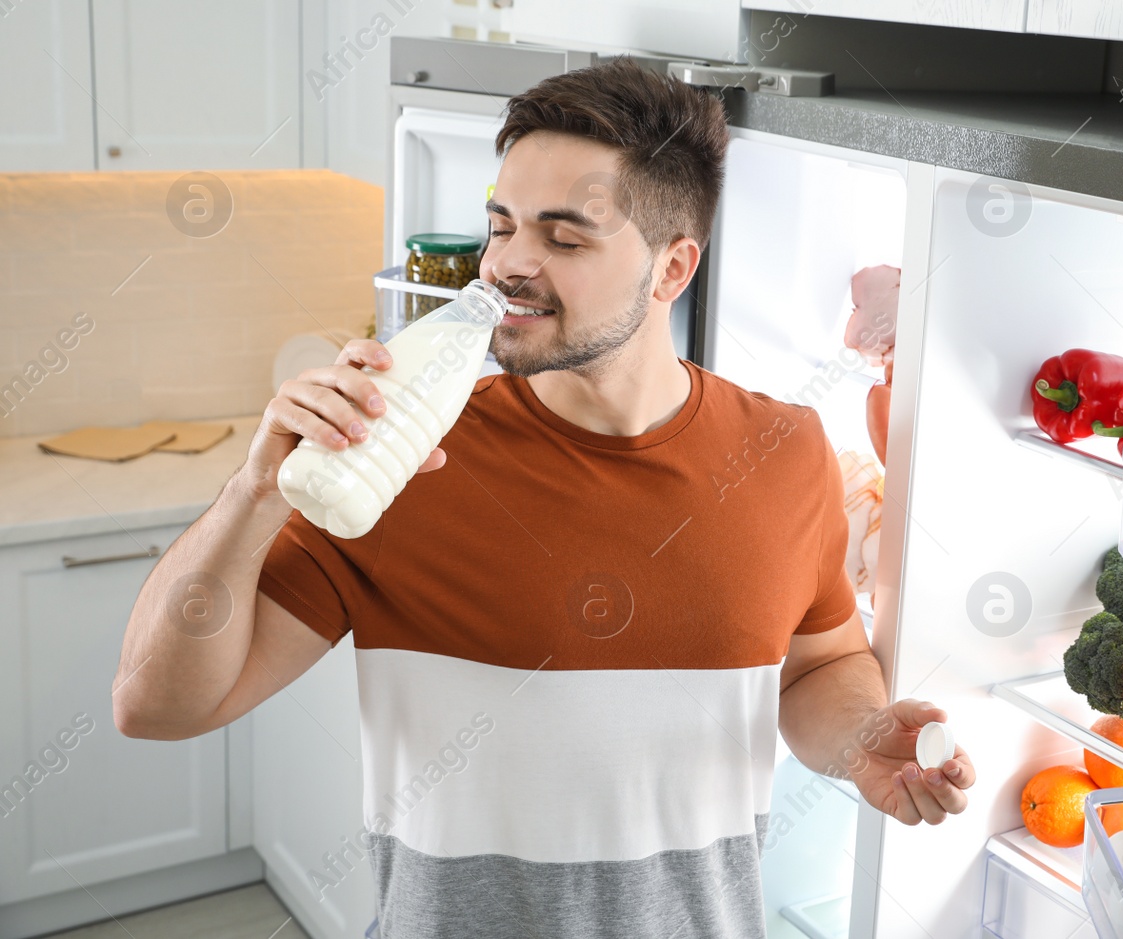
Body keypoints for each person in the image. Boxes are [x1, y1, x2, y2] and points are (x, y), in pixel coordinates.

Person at [112, 58, 975, 938]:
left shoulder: (787, 452)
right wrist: (254, 493)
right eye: (502, 225)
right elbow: (155, 705)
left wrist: (861, 736)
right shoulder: (410, 462)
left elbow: (816, 665)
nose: (508, 265)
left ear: (673, 268)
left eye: (564, 238)